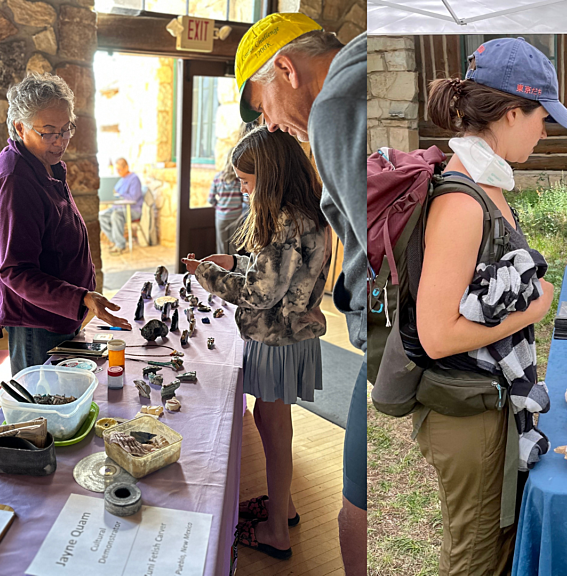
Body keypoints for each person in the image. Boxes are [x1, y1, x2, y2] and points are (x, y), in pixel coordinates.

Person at [414, 38, 567, 575]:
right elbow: (437, 334)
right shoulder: (463, 199)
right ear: (512, 112)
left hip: (489, 402)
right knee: (475, 558)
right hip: (467, 412)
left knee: (498, 546)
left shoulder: (488, 182)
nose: (544, 130)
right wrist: (536, 308)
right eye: (541, 117)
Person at [233, 12, 367, 573]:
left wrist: (217, 276)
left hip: (297, 337)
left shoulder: (335, 106)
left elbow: (264, 291)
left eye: (264, 108)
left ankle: (277, 522)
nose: (272, 124)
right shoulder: (360, 64)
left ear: (285, 68)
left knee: (353, 504)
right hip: (313, 331)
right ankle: (279, 506)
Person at [181, 126, 331, 562]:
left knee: (273, 428)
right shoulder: (306, 213)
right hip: (291, 335)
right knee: (273, 424)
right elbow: (279, 274)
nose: (244, 191)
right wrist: (237, 262)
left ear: (268, 177)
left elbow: (261, 294)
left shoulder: (284, 220)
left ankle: (276, 534)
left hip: (276, 338)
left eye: (246, 183)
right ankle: (283, 507)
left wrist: (207, 274)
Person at [0, 73, 130, 376]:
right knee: (42, 405)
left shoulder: (42, 162)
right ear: (20, 127)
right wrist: (81, 297)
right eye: (49, 132)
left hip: (56, 311)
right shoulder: (16, 180)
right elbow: (16, 271)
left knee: (60, 393)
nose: (60, 142)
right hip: (36, 319)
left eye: (66, 130)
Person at [208, 149, 249, 254]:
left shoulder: (218, 177)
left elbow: (210, 199)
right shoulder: (238, 179)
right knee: (233, 246)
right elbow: (245, 199)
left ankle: (219, 269)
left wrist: (219, 206)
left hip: (221, 216)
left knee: (221, 246)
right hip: (236, 217)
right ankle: (233, 269)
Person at [99, 158, 143, 253]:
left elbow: (134, 198)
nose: (118, 172)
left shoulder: (134, 179)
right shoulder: (121, 179)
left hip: (133, 210)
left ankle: (120, 245)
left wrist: (119, 195)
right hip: (118, 208)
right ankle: (115, 242)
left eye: (120, 169)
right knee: (101, 216)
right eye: (117, 170)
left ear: (126, 167)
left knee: (116, 215)